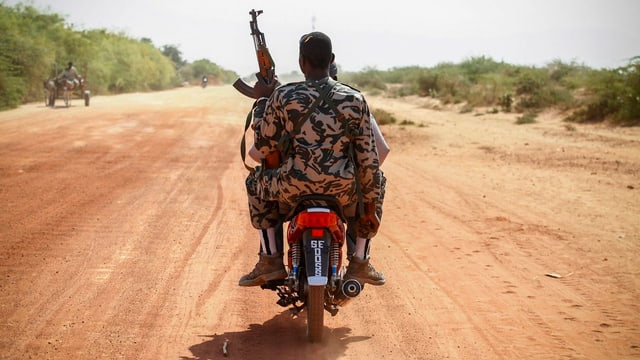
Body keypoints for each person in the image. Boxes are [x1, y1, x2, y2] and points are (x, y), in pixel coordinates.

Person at [239, 31, 386, 287]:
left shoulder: (283, 96)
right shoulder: (355, 99)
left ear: (301, 63)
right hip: (344, 190)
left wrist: (262, 100)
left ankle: (271, 260)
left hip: (290, 188)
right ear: (331, 60)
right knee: (378, 180)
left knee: (255, 181)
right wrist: (370, 209)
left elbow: (263, 146)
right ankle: (361, 261)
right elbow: (368, 160)